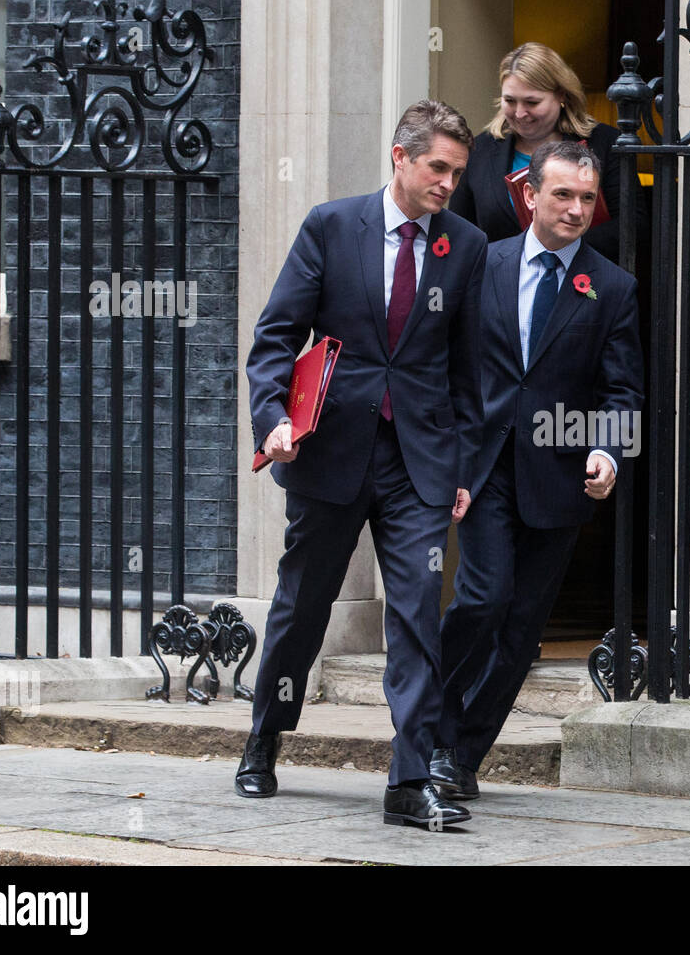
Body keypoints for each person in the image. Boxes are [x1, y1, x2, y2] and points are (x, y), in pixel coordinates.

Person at [238, 100, 486, 830]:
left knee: (416, 617)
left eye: (458, 172)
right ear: (399, 158)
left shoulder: (464, 247)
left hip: (421, 463)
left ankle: (409, 781)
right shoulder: (331, 225)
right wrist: (274, 419)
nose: (447, 183)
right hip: (332, 451)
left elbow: (470, 370)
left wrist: (464, 466)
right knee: (301, 609)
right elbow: (275, 336)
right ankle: (264, 739)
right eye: (437, 167)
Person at [430, 140, 644, 799]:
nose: (576, 209)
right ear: (530, 195)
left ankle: (462, 757)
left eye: (586, 198)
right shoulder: (480, 264)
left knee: (522, 636)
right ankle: (429, 728)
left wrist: (607, 453)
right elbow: (444, 365)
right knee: (483, 598)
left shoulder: (611, 288)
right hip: (485, 464)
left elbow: (622, 391)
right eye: (563, 195)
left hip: (558, 480)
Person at [448, 41, 641, 263]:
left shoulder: (604, 143)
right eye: (510, 101)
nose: (520, 113)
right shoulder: (479, 150)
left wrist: (555, 247)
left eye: (532, 102)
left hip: (586, 282)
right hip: (500, 287)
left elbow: (632, 226)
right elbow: (461, 231)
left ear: (561, 96)